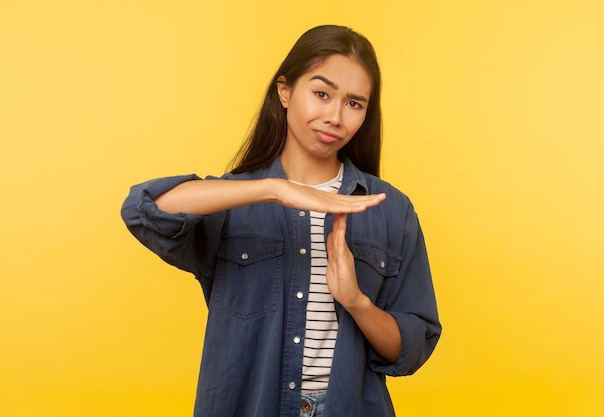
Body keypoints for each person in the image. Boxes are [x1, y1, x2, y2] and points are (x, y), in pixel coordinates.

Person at [121, 24, 441, 417]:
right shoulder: (233, 200)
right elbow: (146, 209)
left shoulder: (389, 209)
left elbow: (412, 347)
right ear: (285, 91)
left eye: (354, 103)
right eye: (321, 94)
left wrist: (356, 301)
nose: (335, 116)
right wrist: (272, 189)